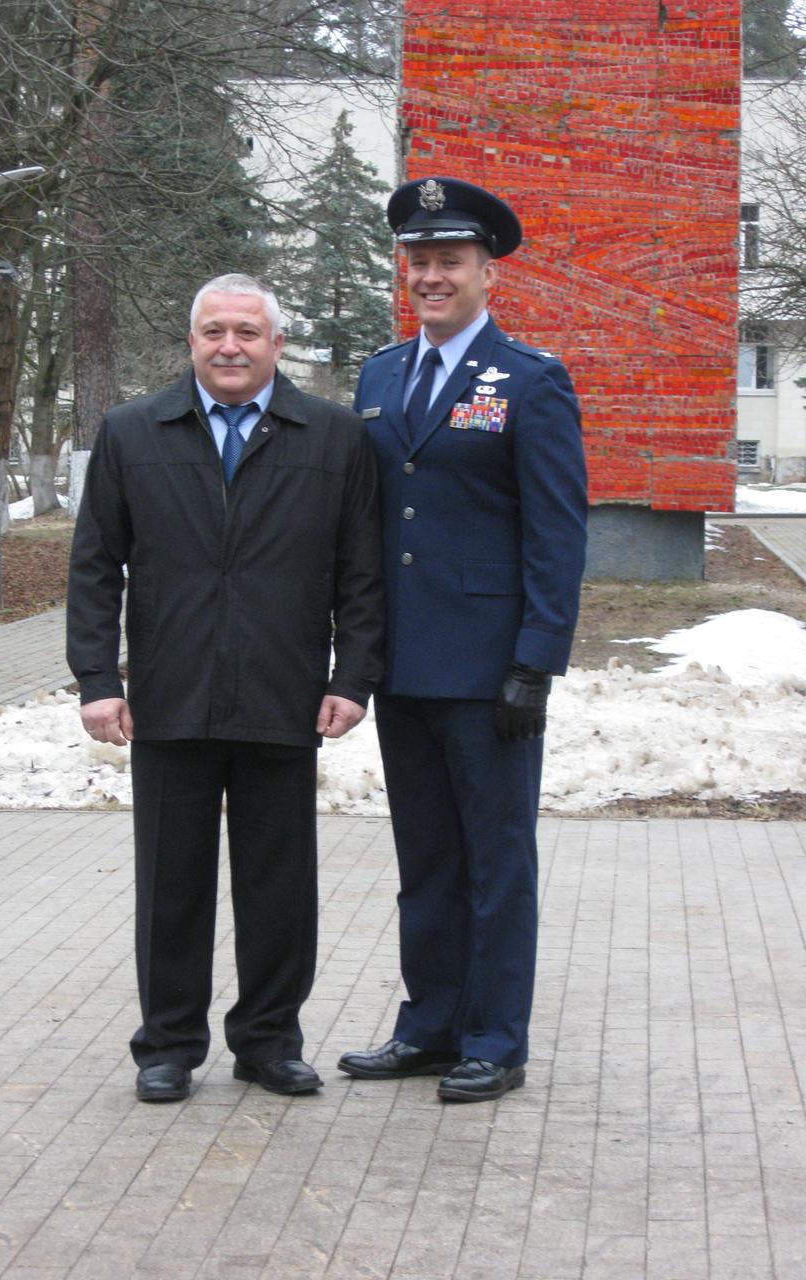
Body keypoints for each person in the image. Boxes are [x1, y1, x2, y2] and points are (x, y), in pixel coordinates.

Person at [67, 273, 384, 1102]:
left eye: (248, 331)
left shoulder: (333, 435)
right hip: (169, 696)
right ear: (192, 343)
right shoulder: (134, 432)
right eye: (214, 331)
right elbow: (96, 567)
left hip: (285, 693)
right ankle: (168, 1044)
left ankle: (269, 1040)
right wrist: (97, 679)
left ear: (278, 343)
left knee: (279, 883)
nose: (231, 346)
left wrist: (354, 676)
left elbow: (362, 571)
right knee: (172, 883)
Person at [338, 177, 587, 1103]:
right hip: (405, 664)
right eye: (419, 262)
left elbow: (558, 534)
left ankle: (494, 1037)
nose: (431, 277)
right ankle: (430, 1026)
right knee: (427, 861)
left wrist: (536, 662)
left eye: (449, 261)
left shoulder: (530, 380)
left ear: (488, 271)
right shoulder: (380, 376)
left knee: (495, 859)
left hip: (489, 672)